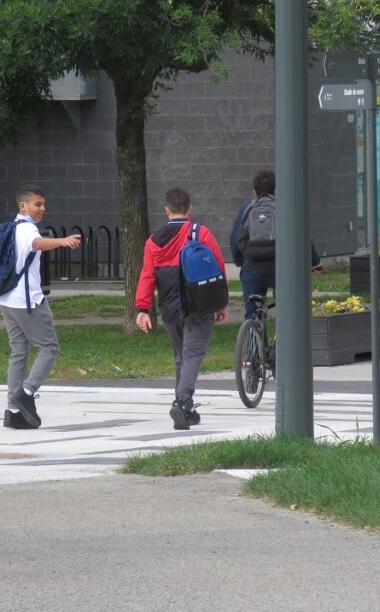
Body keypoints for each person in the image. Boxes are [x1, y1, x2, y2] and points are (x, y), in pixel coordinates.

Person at [136, 187, 228, 430]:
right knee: (192, 355)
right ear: (190, 208)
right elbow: (217, 266)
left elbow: (147, 275)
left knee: (181, 356)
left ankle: (185, 409)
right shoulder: (200, 233)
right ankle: (182, 401)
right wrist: (221, 303)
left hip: (168, 307)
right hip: (198, 303)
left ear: (166, 210)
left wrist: (143, 309)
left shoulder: (153, 241)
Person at [0, 184, 81, 430]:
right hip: (27, 300)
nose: (42, 209)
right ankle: (26, 392)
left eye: (43, 204)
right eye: (37, 204)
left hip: (6, 299)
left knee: (19, 351)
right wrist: (62, 241)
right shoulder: (25, 229)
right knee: (50, 347)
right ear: (22, 206)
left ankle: (13, 411)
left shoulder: (10, 228)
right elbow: (36, 243)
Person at [229, 169, 322, 320]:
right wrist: (314, 262)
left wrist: (240, 262)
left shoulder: (246, 209)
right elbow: (302, 236)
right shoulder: (286, 209)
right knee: (287, 313)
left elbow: (234, 238)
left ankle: (253, 336)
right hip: (280, 270)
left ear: (254, 192)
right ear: (276, 191)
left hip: (252, 268)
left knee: (251, 314)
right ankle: (283, 339)